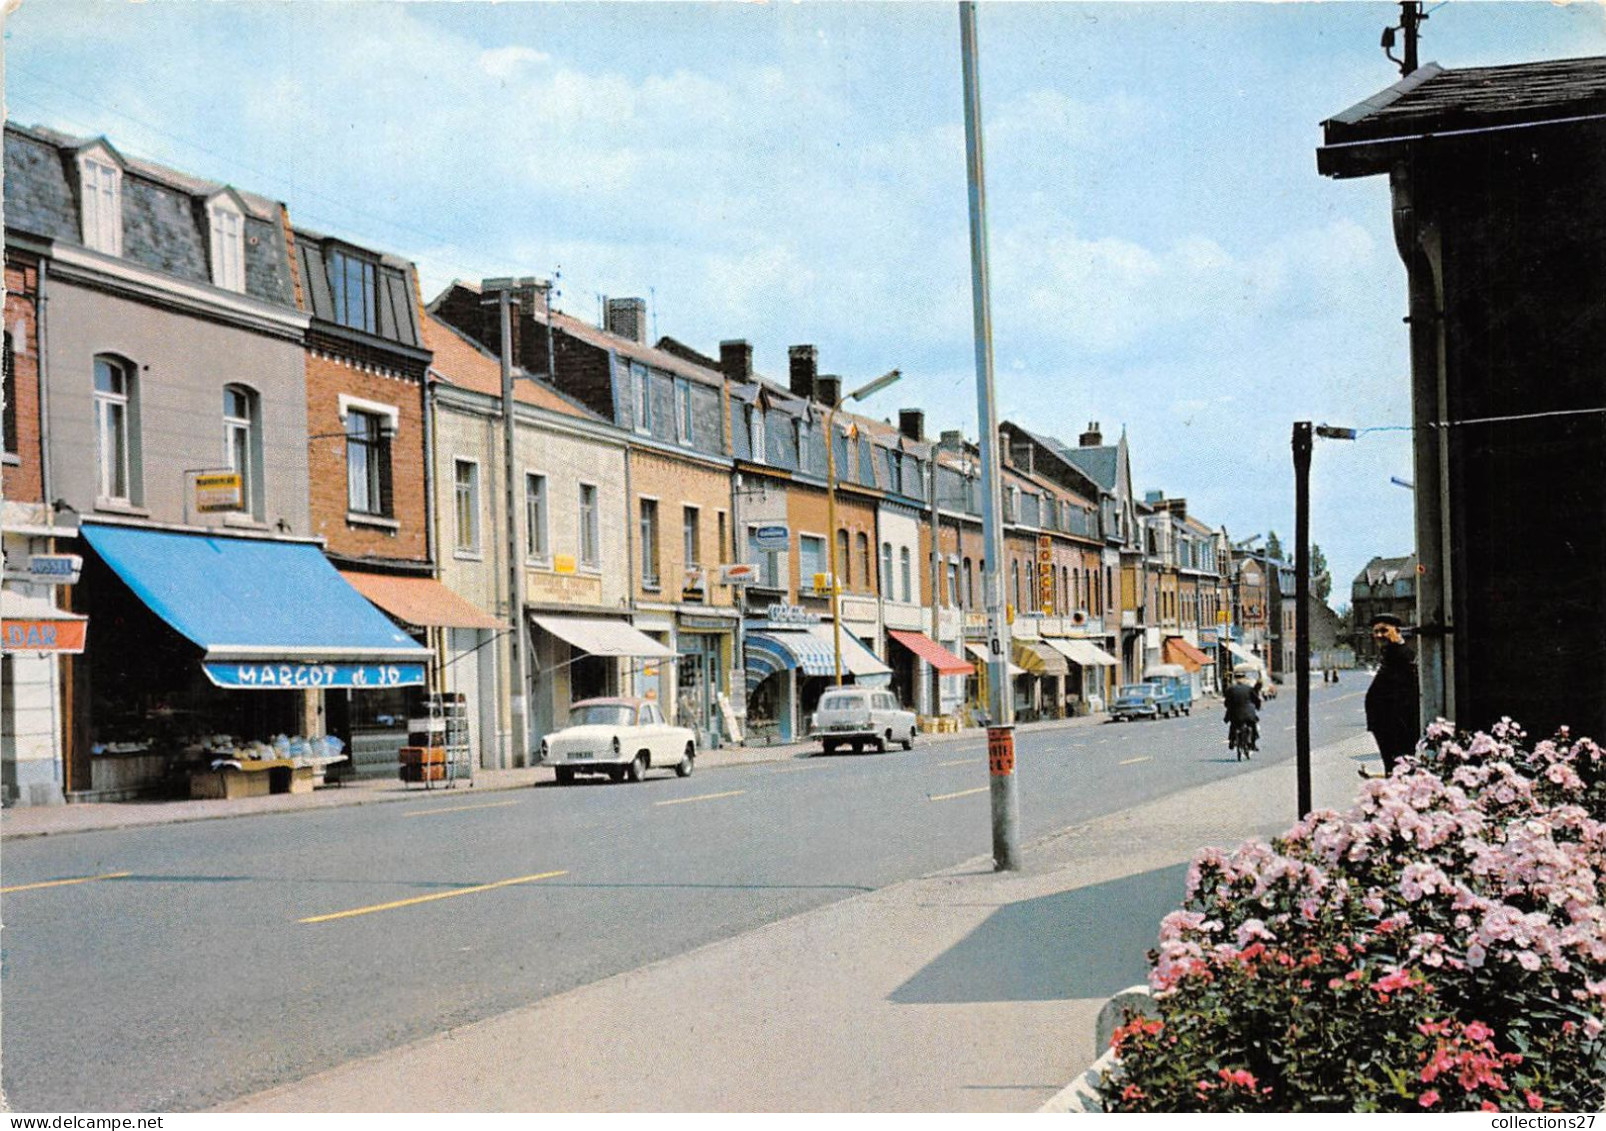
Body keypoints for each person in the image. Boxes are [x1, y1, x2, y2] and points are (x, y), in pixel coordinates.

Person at [1363, 613, 1420, 778]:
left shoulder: (1403, 655)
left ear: (1397, 631)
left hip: (1397, 726)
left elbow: (1407, 694)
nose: (1379, 635)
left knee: (1398, 769)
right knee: (1393, 767)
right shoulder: (1390, 653)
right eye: (1376, 632)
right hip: (1386, 725)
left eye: (1384, 630)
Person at [1223, 668, 1260, 756]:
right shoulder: (1249, 688)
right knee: (1253, 726)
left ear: (1235, 679)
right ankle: (1253, 744)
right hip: (1249, 714)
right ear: (1244, 678)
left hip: (1235, 714)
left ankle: (1232, 740)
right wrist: (1257, 707)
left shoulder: (1230, 689)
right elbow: (1256, 700)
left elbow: (1227, 702)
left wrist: (1229, 708)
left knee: (1233, 725)